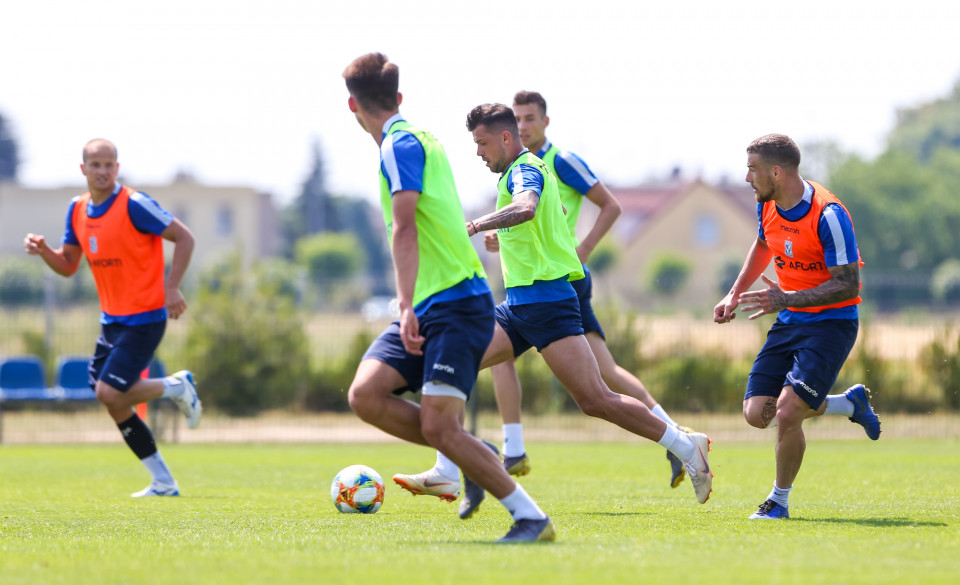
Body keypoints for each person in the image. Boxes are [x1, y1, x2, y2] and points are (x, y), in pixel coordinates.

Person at [396, 103, 714, 521]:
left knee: (596, 399)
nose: (478, 153)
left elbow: (527, 206)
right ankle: (447, 470)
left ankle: (687, 446)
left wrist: (473, 226)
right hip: (519, 306)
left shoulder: (524, 170)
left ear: (505, 138)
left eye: (482, 143)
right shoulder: (526, 169)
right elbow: (545, 215)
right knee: (452, 362)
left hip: (547, 304)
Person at [341, 52, 555, 543]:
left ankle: (530, 518)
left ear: (352, 105)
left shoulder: (400, 145)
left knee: (441, 428)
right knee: (366, 395)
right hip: (433, 301)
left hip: (455, 301)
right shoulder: (422, 138)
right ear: (398, 97)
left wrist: (404, 305)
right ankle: (469, 452)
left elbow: (404, 227)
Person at [475, 90, 698, 490]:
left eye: (529, 118)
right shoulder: (521, 169)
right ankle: (494, 451)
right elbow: (544, 215)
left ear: (544, 122)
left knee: (597, 390)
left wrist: (582, 250)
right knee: (471, 357)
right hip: (529, 290)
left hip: (557, 284)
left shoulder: (554, 163)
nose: (523, 125)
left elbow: (605, 206)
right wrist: (504, 235)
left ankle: (677, 439)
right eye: (518, 118)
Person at [713, 133, 882, 520]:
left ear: (776, 172)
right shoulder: (767, 205)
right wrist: (734, 294)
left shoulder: (829, 215)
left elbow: (848, 284)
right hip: (790, 319)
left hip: (831, 323)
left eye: (752, 169)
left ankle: (778, 501)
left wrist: (786, 299)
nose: (747, 178)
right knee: (758, 414)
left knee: (788, 412)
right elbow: (763, 244)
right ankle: (847, 404)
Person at [24, 138, 201, 498]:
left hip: (146, 316)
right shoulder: (77, 209)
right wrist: (44, 252)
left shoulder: (134, 204)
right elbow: (68, 265)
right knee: (113, 401)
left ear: (117, 168)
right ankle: (163, 482)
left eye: (109, 165)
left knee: (110, 391)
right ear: (84, 169)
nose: (102, 171)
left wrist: (172, 287)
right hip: (112, 321)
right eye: (96, 165)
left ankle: (177, 387)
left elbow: (184, 238)